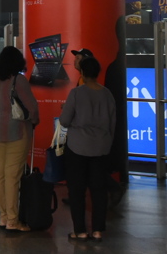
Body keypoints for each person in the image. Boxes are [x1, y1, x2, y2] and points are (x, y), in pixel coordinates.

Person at [59, 57, 115, 242]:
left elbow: (65, 121)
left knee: (76, 191)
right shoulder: (107, 94)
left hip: (77, 147)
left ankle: (80, 231)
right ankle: (98, 230)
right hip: (101, 147)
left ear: (82, 72)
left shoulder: (76, 93)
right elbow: (113, 124)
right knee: (99, 191)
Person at [0, 45, 39, 232]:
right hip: (17, 130)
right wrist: (35, 120)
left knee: (0, 175)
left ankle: (3, 217)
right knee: (12, 176)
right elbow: (32, 108)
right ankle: (13, 220)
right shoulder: (18, 80)